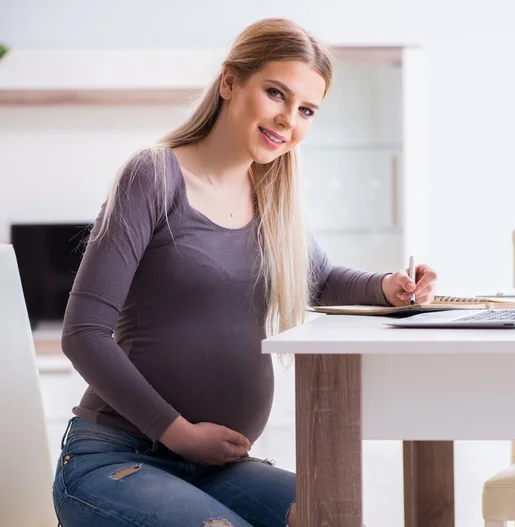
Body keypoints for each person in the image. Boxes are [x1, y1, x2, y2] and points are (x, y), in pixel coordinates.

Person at [52, 17, 438, 527]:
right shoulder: (153, 176)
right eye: (276, 93)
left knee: (334, 512)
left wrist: (391, 287)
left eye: (306, 110)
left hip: (214, 469)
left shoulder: (272, 200)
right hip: (118, 457)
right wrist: (178, 433)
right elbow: (82, 334)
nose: (288, 120)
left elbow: (320, 280)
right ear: (230, 81)